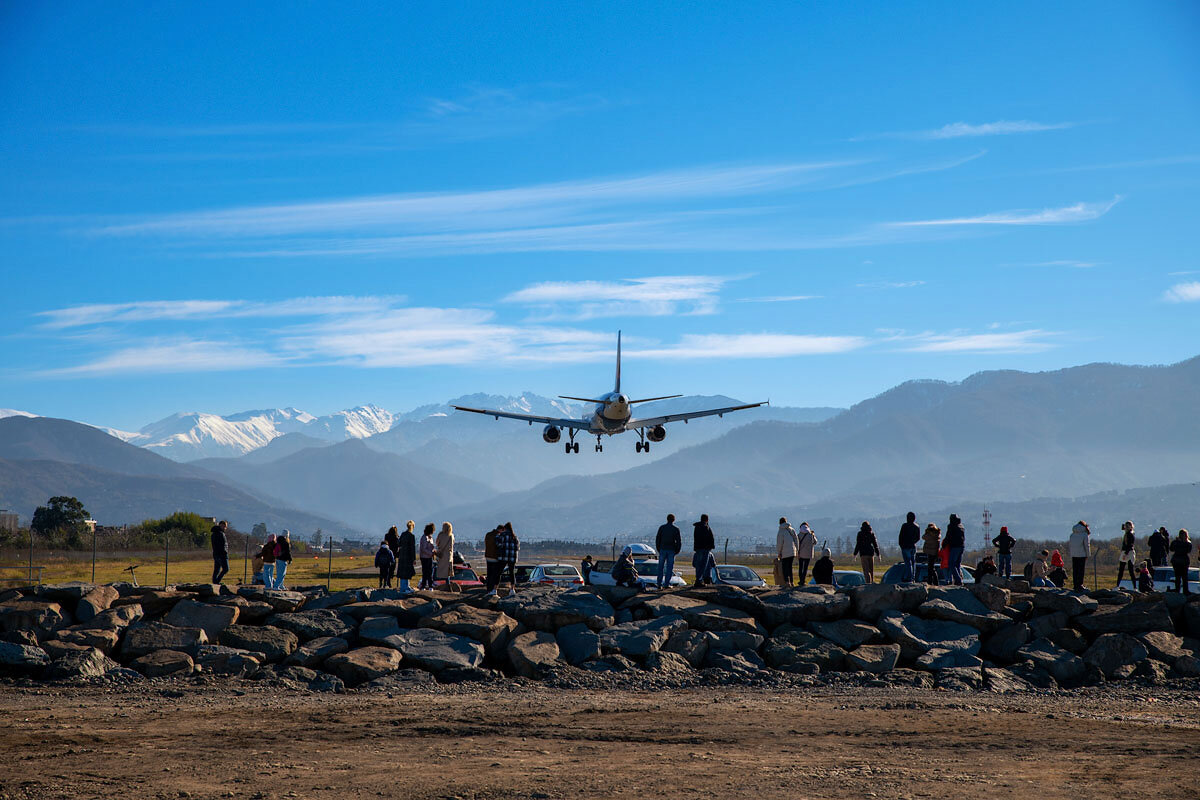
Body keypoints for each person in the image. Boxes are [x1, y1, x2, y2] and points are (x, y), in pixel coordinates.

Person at [655, 514, 682, 590]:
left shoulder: (662, 528)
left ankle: (659, 584)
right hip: (671, 550)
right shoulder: (676, 529)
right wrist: (677, 550)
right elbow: (679, 541)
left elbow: (658, 539)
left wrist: (659, 549)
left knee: (660, 567)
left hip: (662, 549)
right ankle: (666, 584)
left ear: (667, 519)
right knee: (669, 568)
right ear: (674, 520)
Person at [495, 521, 520, 597]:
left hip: (503, 557)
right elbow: (517, 548)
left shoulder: (502, 535)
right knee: (512, 573)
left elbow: (498, 544)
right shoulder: (515, 537)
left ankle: (495, 589)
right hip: (512, 558)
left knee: (499, 572)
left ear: (505, 528)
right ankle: (512, 589)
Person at [692, 514, 717, 586]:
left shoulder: (697, 527)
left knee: (698, 565)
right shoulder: (706, 527)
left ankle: (698, 579)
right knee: (704, 565)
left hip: (698, 548)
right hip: (705, 548)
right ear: (707, 520)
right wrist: (711, 546)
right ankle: (699, 580)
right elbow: (710, 538)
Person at [776, 517, 799, 588]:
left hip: (784, 552)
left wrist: (779, 552)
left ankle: (787, 582)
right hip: (792, 552)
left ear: (780, 523)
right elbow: (796, 540)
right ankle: (792, 582)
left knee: (784, 568)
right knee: (790, 567)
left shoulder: (781, 531)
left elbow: (780, 543)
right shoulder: (792, 529)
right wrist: (797, 550)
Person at [898, 512, 921, 583]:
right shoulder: (917, 526)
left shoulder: (904, 526)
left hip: (905, 547)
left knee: (908, 563)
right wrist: (913, 542)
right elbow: (918, 538)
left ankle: (909, 577)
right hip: (913, 546)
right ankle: (913, 577)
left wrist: (901, 545)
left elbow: (901, 536)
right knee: (913, 562)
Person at [1068, 520, 1090, 591]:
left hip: (1074, 555)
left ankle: (1075, 585)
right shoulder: (1084, 534)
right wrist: (1088, 554)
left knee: (1075, 570)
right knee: (1081, 571)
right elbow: (1087, 545)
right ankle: (1080, 584)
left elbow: (1070, 545)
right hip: (1081, 555)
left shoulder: (1072, 534)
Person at [944, 514, 966, 586]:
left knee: (951, 564)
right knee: (957, 564)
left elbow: (948, 536)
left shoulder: (951, 526)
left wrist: (944, 544)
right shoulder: (961, 526)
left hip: (954, 547)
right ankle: (959, 580)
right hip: (961, 546)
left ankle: (958, 580)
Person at [1169, 529, 1192, 595]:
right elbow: (1188, 550)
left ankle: (1177, 590)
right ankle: (1185, 591)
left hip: (1176, 560)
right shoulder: (1188, 543)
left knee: (1177, 577)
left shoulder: (1175, 542)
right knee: (1184, 577)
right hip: (1184, 561)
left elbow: (1171, 549)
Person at [396, 520, 416, 594]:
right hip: (408, 556)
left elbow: (399, 543)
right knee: (407, 573)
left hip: (402, 556)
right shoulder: (411, 536)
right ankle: (406, 587)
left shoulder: (403, 534)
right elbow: (412, 548)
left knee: (402, 573)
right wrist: (413, 559)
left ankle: (403, 587)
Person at [1116, 521, 1137, 588]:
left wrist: (1126, 553)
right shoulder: (1130, 533)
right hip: (1128, 552)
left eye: (1128, 526)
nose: (1126, 528)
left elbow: (1130, 544)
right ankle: (1135, 587)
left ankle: (1118, 585)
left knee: (1123, 570)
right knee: (1129, 570)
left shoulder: (1129, 534)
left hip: (1127, 552)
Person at [435, 522, 455, 589]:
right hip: (448, 556)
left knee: (441, 571)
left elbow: (437, 543)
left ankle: (439, 584)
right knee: (447, 572)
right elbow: (452, 545)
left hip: (441, 555)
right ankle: (448, 584)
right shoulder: (451, 536)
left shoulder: (440, 535)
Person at [483, 524, 501, 596]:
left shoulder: (488, 534)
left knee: (489, 574)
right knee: (494, 574)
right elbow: (498, 546)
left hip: (488, 556)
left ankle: (488, 589)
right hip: (495, 557)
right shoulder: (498, 536)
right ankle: (492, 589)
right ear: (500, 530)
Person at [210, 520, 229, 584]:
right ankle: (217, 581)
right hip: (222, 554)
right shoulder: (220, 534)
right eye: (225, 526)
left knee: (217, 569)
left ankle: (214, 581)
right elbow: (222, 545)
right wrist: (224, 552)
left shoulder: (214, 534)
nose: (225, 528)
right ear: (221, 525)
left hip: (216, 554)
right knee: (226, 569)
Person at [418, 524, 436, 589]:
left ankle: (430, 585)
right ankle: (424, 585)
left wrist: (433, 551)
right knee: (425, 572)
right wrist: (431, 553)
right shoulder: (424, 538)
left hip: (429, 557)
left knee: (430, 572)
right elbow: (423, 549)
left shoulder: (430, 537)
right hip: (425, 557)